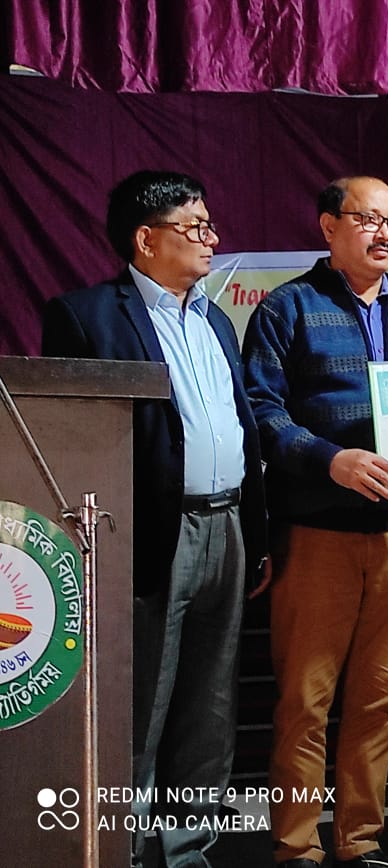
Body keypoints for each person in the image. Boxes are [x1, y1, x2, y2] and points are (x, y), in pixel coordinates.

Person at [242, 176, 388, 868]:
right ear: (328, 226)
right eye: (369, 220)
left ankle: (361, 841)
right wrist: (331, 460)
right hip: (317, 534)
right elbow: (259, 410)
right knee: (305, 701)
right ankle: (296, 845)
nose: (385, 235)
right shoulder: (287, 308)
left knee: (382, 697)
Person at [41, 170, 267, 868]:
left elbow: (241, 425)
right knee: (143, 699)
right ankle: (127, 850)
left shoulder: (215, 319)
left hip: (228, 526)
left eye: (209, 226)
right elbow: (73, 444)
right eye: (195, 227)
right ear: (146, 239)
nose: (212, 239)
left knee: (211, 702)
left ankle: (189, 847)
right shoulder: (87, 317)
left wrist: (257, 535)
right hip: (148, 535)